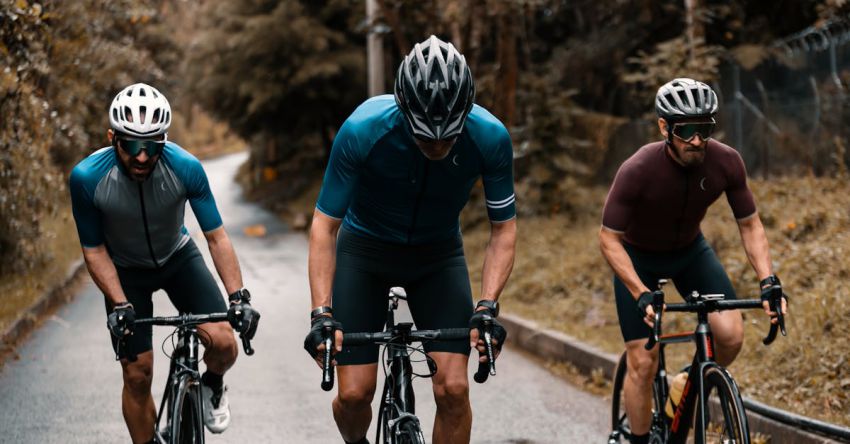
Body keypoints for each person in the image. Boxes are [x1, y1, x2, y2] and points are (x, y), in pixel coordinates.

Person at [304, 35, 516, 444]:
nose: (437, 145)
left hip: (437, 256)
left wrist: (487, 305)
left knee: (454, 390)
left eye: (448, 136)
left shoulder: (490, 137)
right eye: (424, 137)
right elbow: (324, 225)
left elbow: (503, 228)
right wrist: (321, 314)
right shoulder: (362, 129)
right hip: (364, 251)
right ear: (404, 111)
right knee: (352, 394)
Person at [598, 78, 788, 444]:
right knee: (643, 361)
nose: (697, 140)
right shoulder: (637, 169)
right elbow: (608, 238)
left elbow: (749, 225)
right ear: (664, 128)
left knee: (731, 337)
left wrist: (767, 280)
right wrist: (639, 292)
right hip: (638, 258)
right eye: (686, 130)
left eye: (704, 129)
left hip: (689, 253)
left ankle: (685, 383)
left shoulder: (726, 162)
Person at [69, 83, 259, 443]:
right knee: (137, 375)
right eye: (132, 145)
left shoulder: (185, 167)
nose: (142, 157)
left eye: (152, 145)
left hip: (178, 257)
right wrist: (120, 303)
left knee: (224, 343)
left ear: (164, 141)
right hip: (125, 273)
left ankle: (212, 386)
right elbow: (94, 251)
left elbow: (216, 236)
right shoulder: (87, 179)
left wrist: (238, 297)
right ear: (113, 138)